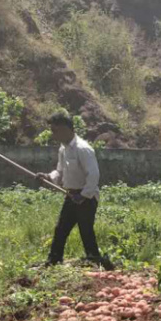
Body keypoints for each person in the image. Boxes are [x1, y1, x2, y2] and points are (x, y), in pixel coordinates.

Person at [36, 113, 110, 268]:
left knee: (86, 230)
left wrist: (83, 196)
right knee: (61, 229)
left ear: (65, 129)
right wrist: (48, 177)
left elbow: (94, 174)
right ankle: (54, 260)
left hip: (86, 197)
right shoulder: (63, 149)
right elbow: (60, 171)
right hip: (71, 195)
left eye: (55, 130)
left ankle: (95, 259)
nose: (53, 134)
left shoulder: (83, 149)